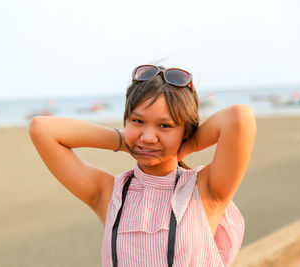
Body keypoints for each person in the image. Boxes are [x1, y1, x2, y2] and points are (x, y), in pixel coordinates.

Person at [29, 65, 256, 266]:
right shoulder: (110, 193)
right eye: (138, 121)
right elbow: (42, 129)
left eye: (165, 126)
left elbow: (240, 117)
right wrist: (126, 141)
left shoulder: (204, 191)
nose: (148, 136)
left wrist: (188, 144)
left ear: (184, 131)